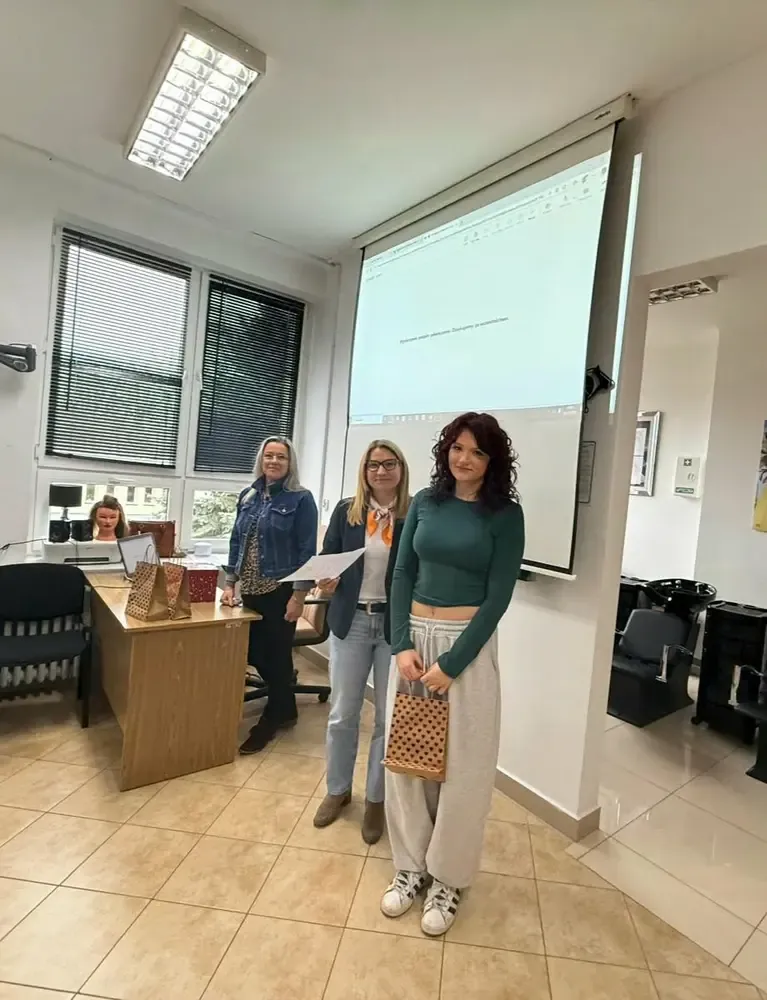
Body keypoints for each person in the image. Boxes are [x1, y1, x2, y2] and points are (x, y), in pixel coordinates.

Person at [381, 412, 525, 937]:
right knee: (406, 763)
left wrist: (453, 664)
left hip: (466, 647)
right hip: (414, 645)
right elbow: (402, 572)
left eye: (478, 452)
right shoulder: (424, 502)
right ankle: (410, 866)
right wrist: (401, 643)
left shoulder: (505, 515)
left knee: (464, 768)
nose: (465, 459)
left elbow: (499, 596)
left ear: (493, 461)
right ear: (446, 450)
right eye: (458, 448)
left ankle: (448, 877)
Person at [313, 440, 410, 845]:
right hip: (350, 620)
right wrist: (326, 580)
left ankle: (375, 798)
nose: (381, 471)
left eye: (389, 464)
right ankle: (338, 790)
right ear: (364, 471)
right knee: (342, 713)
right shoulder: (347, 511)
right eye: (373, 465)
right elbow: (328, 557)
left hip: (393, 625)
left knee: (388, 719)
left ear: (401, 469)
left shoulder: (413, 514)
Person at [221, 436, 318, 754]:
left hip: (280, 589)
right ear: (261, 460)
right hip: (249, 589)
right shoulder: (248, 496)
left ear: (290, 464)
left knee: (274, 657)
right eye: (269, 456)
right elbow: (237, 541)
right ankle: (286, 707)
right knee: (253, 652)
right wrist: (230, 582)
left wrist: (299, 596)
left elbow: (306, 550)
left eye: (281, 457)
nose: (274, 461)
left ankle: (271, 718)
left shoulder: (301, 499)